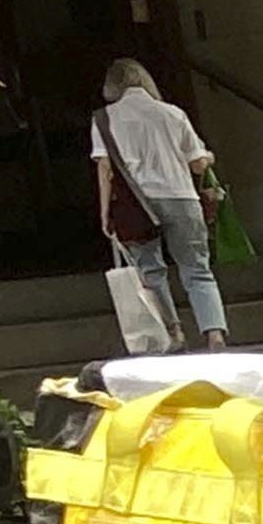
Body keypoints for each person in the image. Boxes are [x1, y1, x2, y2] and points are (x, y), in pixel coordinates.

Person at [94, 55, 226, 350]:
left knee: (151, 271)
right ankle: (214, 332)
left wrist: (105, 213)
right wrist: (208, 157)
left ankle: (173, 333)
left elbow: (105, 168)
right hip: (181, 197)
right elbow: (197, 164)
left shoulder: (104, 118)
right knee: (197, 268)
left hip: (137, 204)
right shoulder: (172, 113)